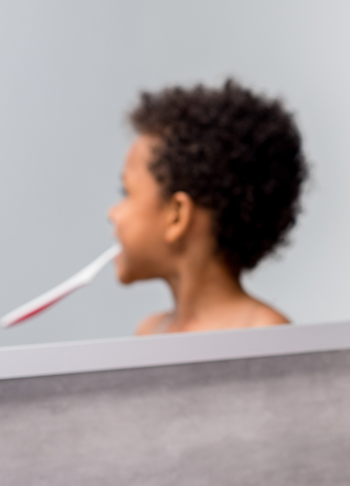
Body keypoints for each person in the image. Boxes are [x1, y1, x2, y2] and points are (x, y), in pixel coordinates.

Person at [108, 80, 307, 334]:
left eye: (126, 193)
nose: (112, 213)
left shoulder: (265, 333)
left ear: (177, 215)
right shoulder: (149, 332)